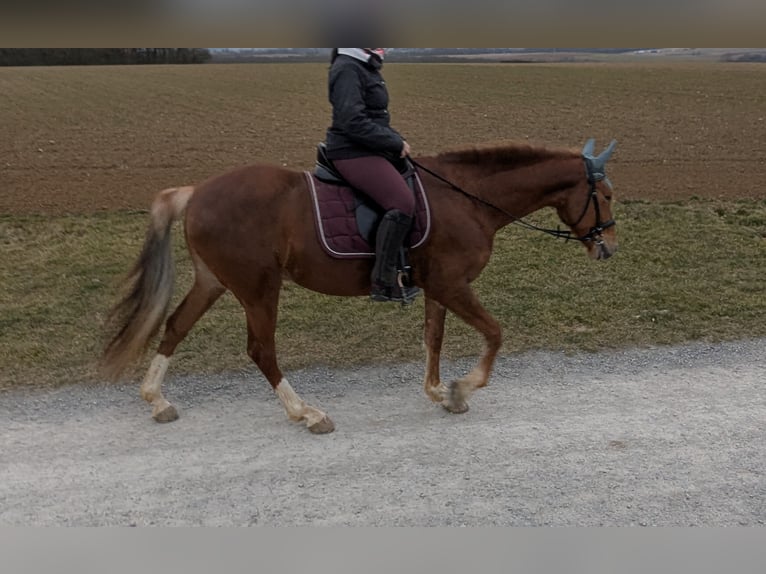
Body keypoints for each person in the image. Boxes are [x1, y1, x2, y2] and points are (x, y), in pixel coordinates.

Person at [325, 48, 420, 303]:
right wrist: (392, 141)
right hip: (352, 151)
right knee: (402, 202)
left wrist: (395, 138)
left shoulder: (365, 66)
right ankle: (383, 280)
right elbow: (352, 121)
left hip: (370, 147)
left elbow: (375, 118)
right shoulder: (348, 68)